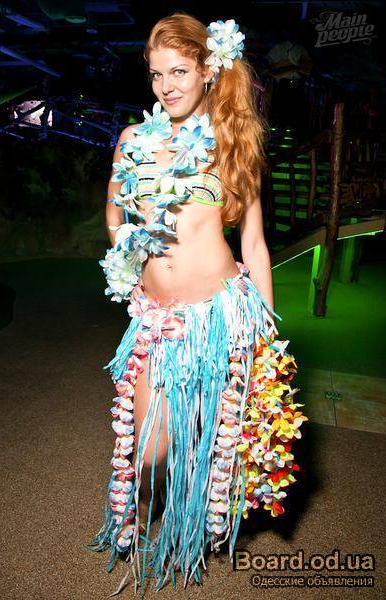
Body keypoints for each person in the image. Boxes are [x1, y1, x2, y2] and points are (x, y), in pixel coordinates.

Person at [85, 11, 308, 598]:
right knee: (149, 449)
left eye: (179, 71)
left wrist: (266, 337)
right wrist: (127, 253)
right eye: (156, 74)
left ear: (208, 69)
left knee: (210, 441)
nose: (166, 86)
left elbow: (254, 244)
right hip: (156, 320)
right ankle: (143, 508)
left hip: (217, 318)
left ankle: (193, 523)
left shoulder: (233, 142)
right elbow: (113, 213)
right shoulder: (132, 141)